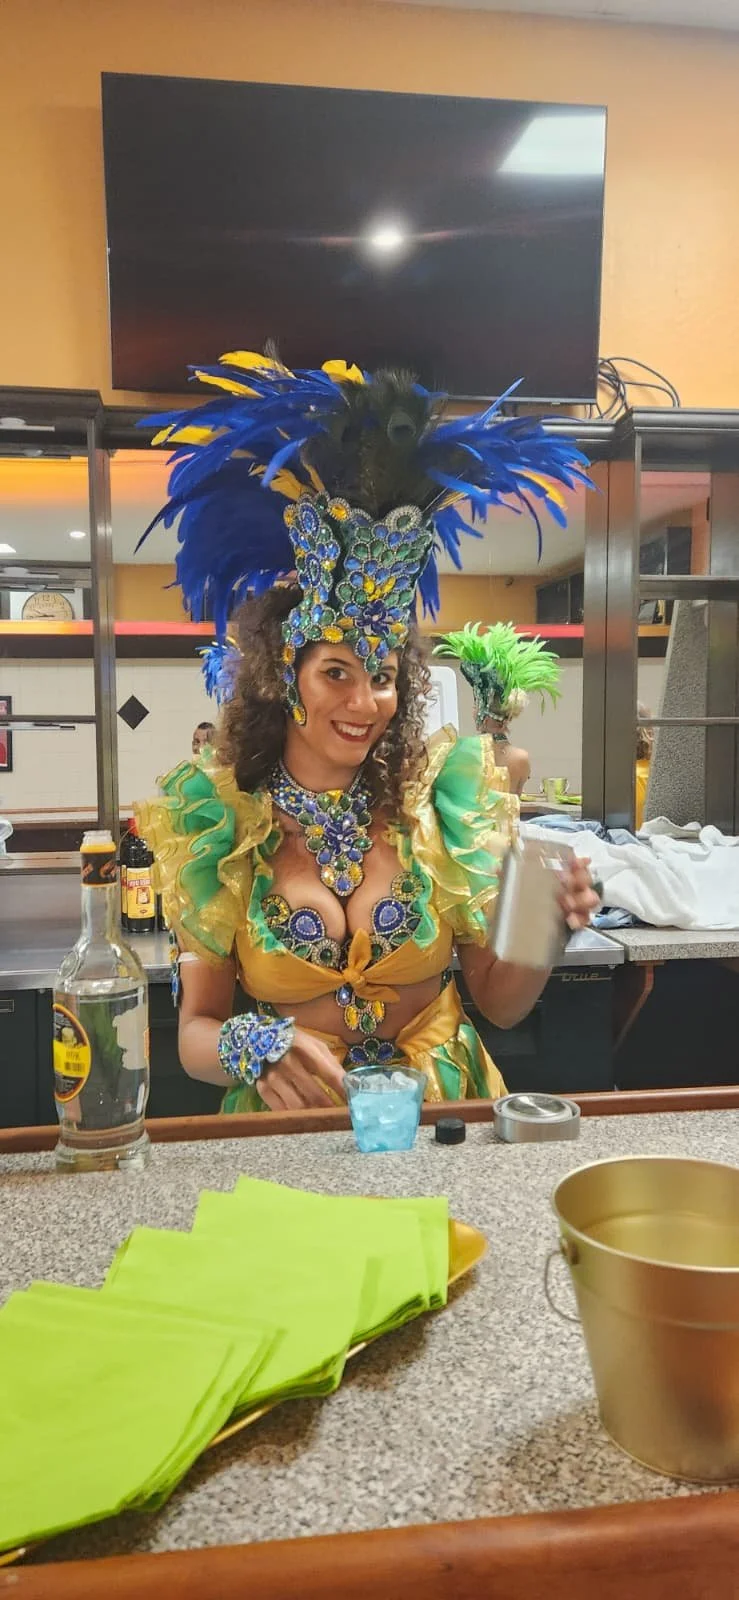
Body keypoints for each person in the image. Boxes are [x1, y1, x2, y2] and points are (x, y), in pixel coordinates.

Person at [136, 353, 597, 1112]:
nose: (364, 701)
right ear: (286, 680)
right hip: (292, 1118)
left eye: (380, 674)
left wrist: (543, 931)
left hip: (436, 1109)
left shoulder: (441, 803)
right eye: (336, 673)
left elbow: (501, 1003)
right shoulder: (219, 819)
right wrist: (255, 1045)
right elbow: (194, 1034)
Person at [433, 622, 561, 797]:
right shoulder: (521, 758)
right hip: (510, 825)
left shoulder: (461, 752)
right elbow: (515, 806)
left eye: (475, 705)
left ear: (481, 713)